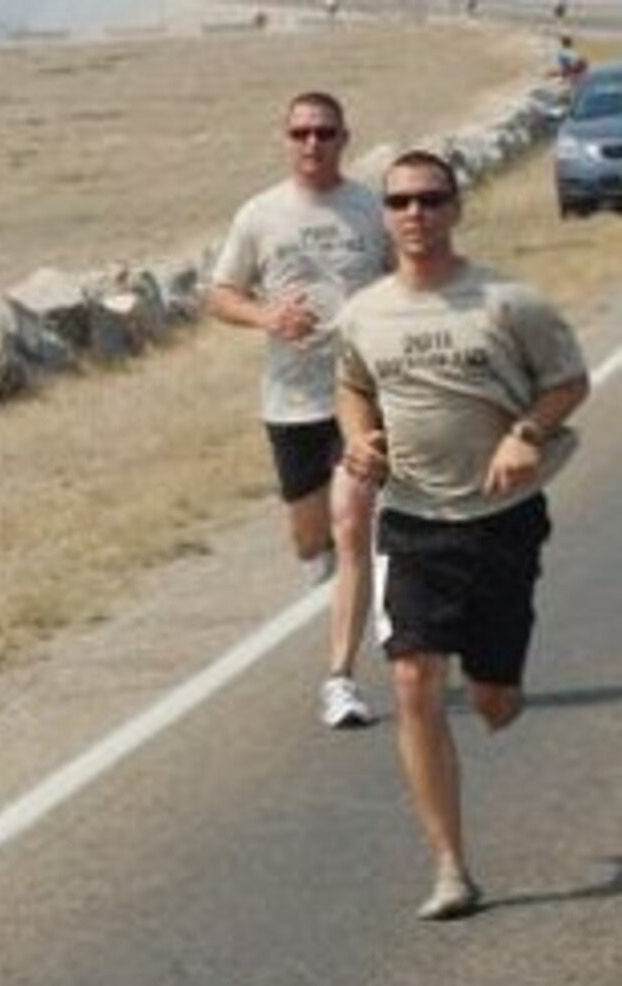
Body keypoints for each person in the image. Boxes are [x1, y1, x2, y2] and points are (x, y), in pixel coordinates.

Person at [335, 150, 588, 919]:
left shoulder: (508, 302)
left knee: (494, 699)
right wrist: (358, 439)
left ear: (456, 208)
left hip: (500, 522)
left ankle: (499, 679)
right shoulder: (364, 313)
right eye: (402, 202)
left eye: (432, 199)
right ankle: (450, 868)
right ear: (386, 215)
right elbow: (351, 385)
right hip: (412, 519)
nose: (416, 214)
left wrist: (526, 435)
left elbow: (568, 382)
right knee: (412, 679)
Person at [208, 90, 391, 730]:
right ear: (286, 140)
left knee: (352, 523)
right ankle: (340, 584)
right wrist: (268, 315)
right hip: (292, 400)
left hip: (365, 396)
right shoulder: (259, 215)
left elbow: (410, 276)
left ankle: (340, 677)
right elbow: (221, 294)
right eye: (301, 133)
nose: (312, 143)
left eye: (325, 132)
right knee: (311, 538)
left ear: (345, 138)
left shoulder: (373, 207)